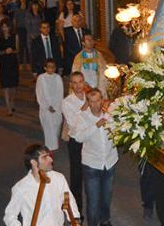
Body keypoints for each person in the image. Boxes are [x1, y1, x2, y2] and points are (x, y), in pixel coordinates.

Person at [72, 88, 118, 226]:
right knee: (93, 200)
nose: (95, 104)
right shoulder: (82, 117)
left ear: (102, 100)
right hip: (91, 164)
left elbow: (119, 135)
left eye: (98, 100)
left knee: (106, 197)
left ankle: (105, 221)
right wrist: (96, 125)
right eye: (92, 102)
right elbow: (79, 137)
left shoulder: (111, 115)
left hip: (110, 162)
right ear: (88, 103)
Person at [4, 144, 80, 226]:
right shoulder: (21, 188)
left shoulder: (58, 178)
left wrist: (75, 220)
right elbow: (9, 216)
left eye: (49, 156)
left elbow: (69, 200)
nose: (50, 159)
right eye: (44, 157)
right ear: (33, 162)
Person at [62, 71, 88, 216]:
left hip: (89, 140)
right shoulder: (67, 102)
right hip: (76, 142)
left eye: (80, 82)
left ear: (84, 83)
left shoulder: (90, 97)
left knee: (90, 176)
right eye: (75, 82)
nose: (78, 85)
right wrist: (84, 108)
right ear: (71, 85)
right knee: (77, 177)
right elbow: (73, 124)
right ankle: (76, 212)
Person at [36, 58, 64, 151]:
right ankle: (49, 149)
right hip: (45, 109)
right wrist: (47, 107)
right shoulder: (41, 78)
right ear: (45, 68)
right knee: (48, 130)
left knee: (56, 128)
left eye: (53, 67)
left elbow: (60, 93)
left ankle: (53, 146)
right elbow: (39, 94)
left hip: (57, 107)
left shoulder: (58, 78)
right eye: (49, 67)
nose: (51, 69)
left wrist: (55, 106)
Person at [0, 19, 19, 116]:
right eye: (3, 26)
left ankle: (12, 101)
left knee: (13, 85)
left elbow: (18, 50)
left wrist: (12, 51)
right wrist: (4, 52)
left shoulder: (15, 36)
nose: (5, 29)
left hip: (13, 61)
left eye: (6, 26)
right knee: (5, 85)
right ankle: (8, 107)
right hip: (3, 62)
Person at [13, 0, 31, 70]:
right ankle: (20, 63)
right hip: (20, 29)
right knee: (21, 46)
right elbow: (14, 20)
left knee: (28, 46)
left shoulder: (29, 9)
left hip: (28, 29)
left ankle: (28, 63)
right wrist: (15, 29)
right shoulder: (17, 9)